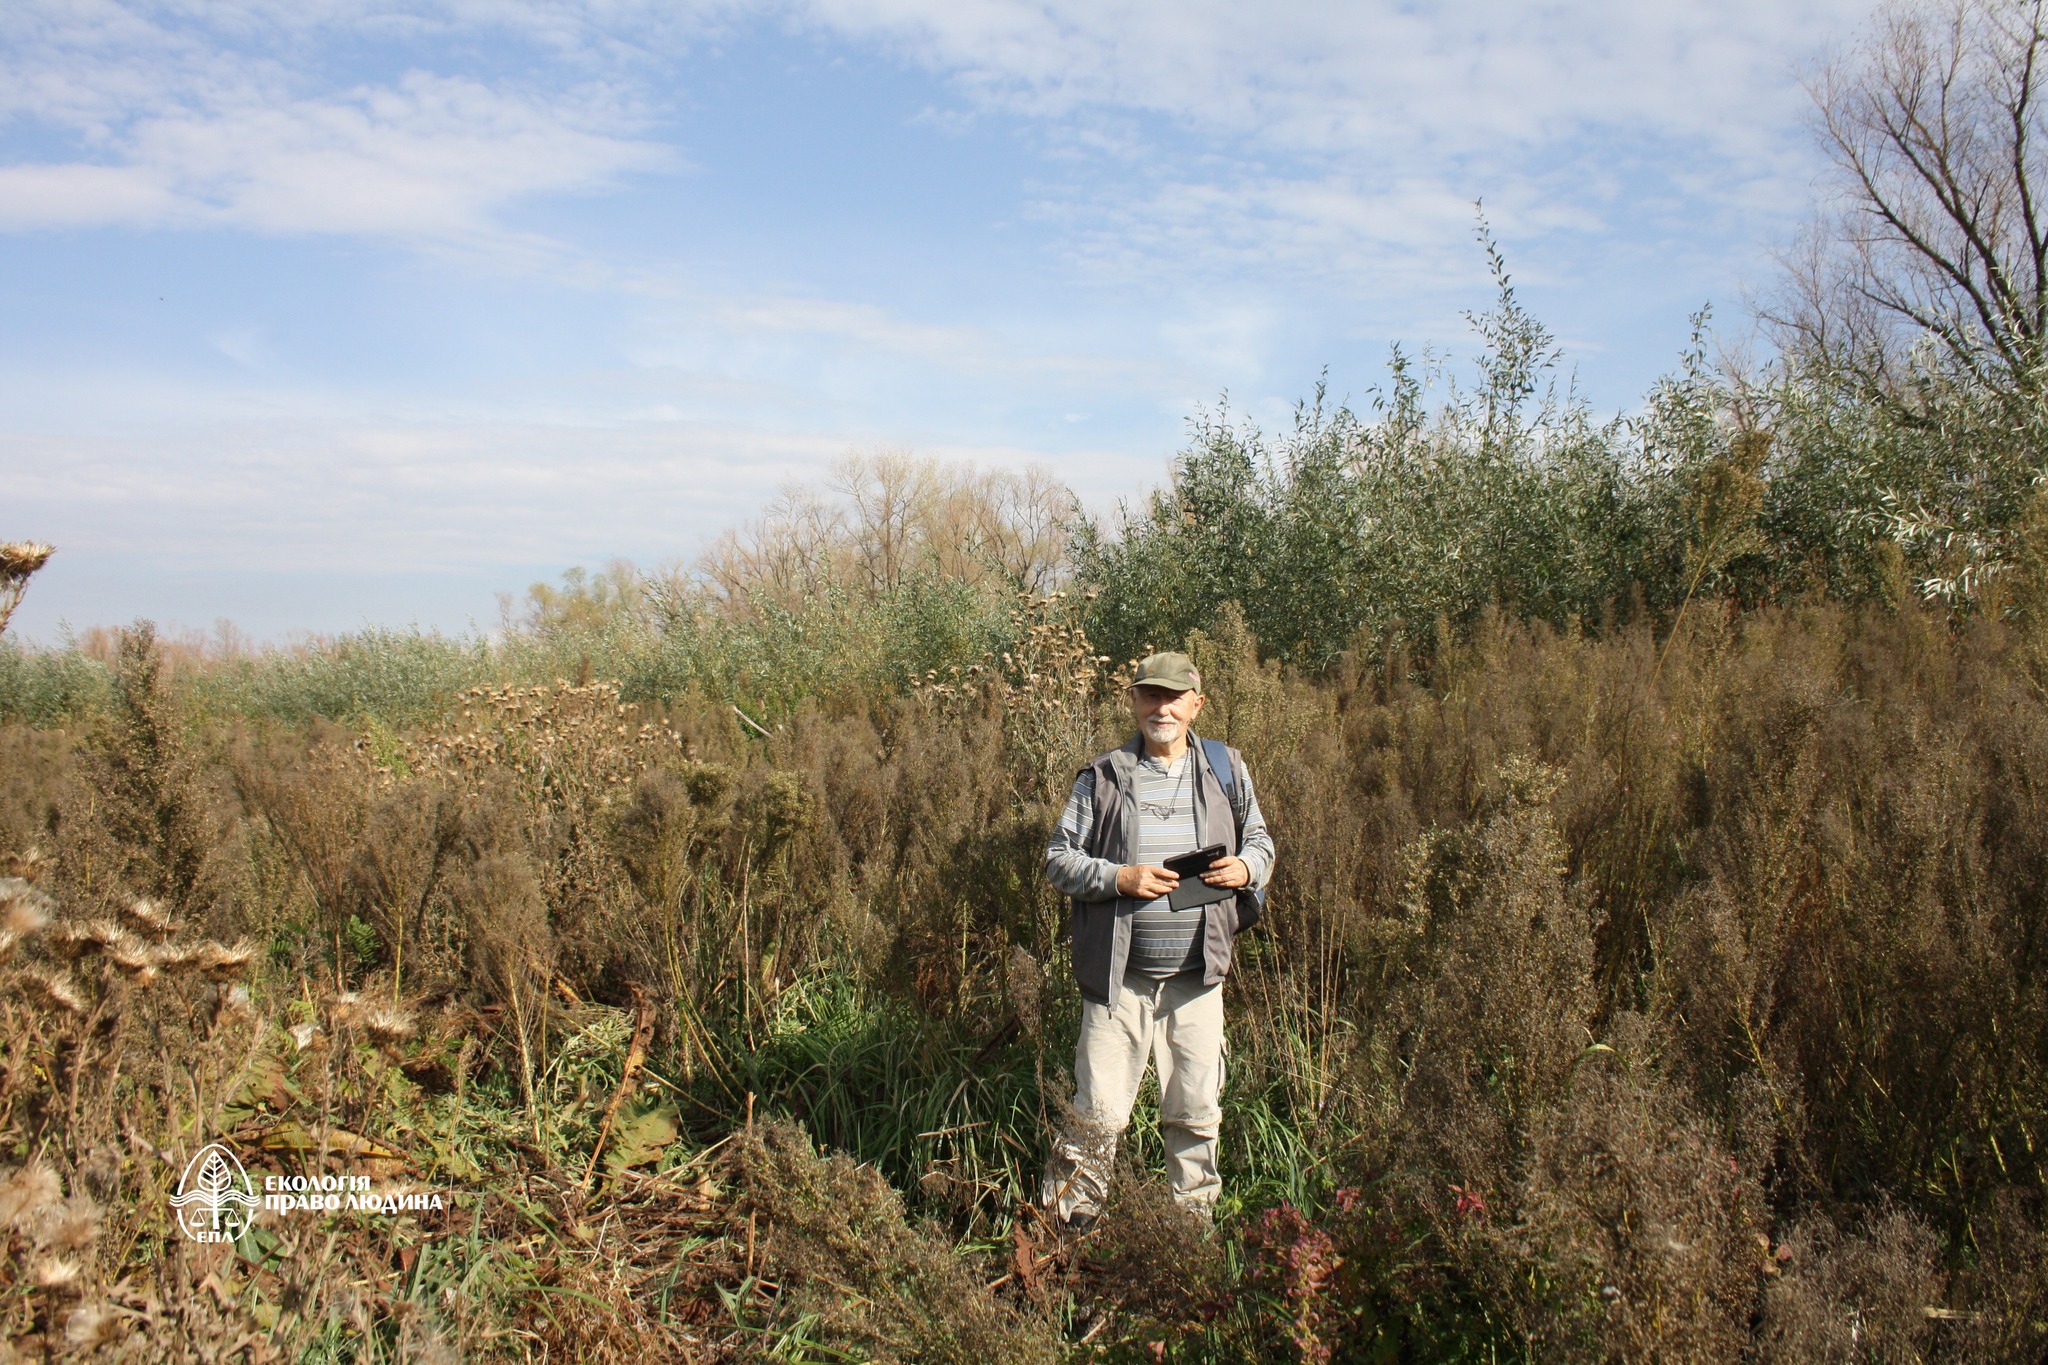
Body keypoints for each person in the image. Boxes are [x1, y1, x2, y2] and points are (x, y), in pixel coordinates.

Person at [1039, 651, 1275, 1231]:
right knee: (1096, 1116)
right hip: (1118, 985)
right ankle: (1068, 1238)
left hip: (1197, 982)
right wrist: (1121, 878)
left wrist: (1246, 869)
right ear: (1135, 702)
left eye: (1173, 697)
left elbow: (1262, 843)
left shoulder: (1226, 769)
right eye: (1150, 695)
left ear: (1196, 703)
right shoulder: (1103, 776)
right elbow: (1057, 860)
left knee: (1196, 1115)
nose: (1161, 708)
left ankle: (1188, 1241)